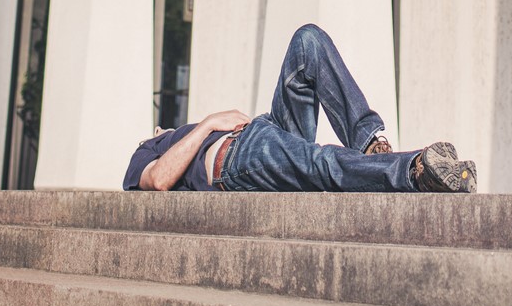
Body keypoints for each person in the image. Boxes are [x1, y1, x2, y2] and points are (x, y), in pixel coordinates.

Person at [123, 24, 476, 194]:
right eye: (159, 130)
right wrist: (209, 124)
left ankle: (368, 141)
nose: (162, 128)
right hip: (237, 160)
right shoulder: (148, 150)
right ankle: (415, 170)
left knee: (308, 40)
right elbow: (158, 179)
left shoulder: (174, 140)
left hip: (264, 129)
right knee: (318, 160)